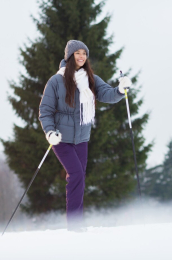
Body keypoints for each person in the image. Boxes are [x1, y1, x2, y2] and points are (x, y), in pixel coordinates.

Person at [38, 40, 132, 231]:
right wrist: (49, 132)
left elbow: (107, 94)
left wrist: (121, 90)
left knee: (79, 178)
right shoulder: (56, 81)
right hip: (61, 138)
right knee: (76, 174)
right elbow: (45, 111)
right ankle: (74, 225)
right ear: (70, 56)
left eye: (84, 53)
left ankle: (76, 223)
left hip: (82, 138)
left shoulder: (90, 79)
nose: (81, 57)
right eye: (77, 53)